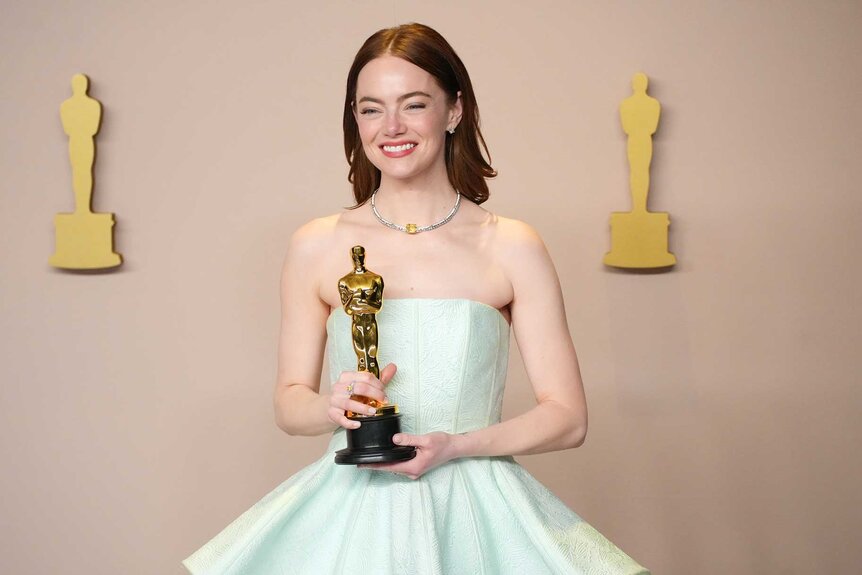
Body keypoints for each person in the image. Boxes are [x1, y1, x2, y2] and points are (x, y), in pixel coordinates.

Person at [183, 22, 650, 575]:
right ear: (355, 120)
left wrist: (455, 446)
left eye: (414, 104)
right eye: (372, 109)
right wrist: (331, 406)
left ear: (454, 111)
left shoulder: (512, 245)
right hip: (351, 510)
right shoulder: (316, 245)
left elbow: (568, 418)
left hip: (477, 512)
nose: (392, 127)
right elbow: (289, 403)